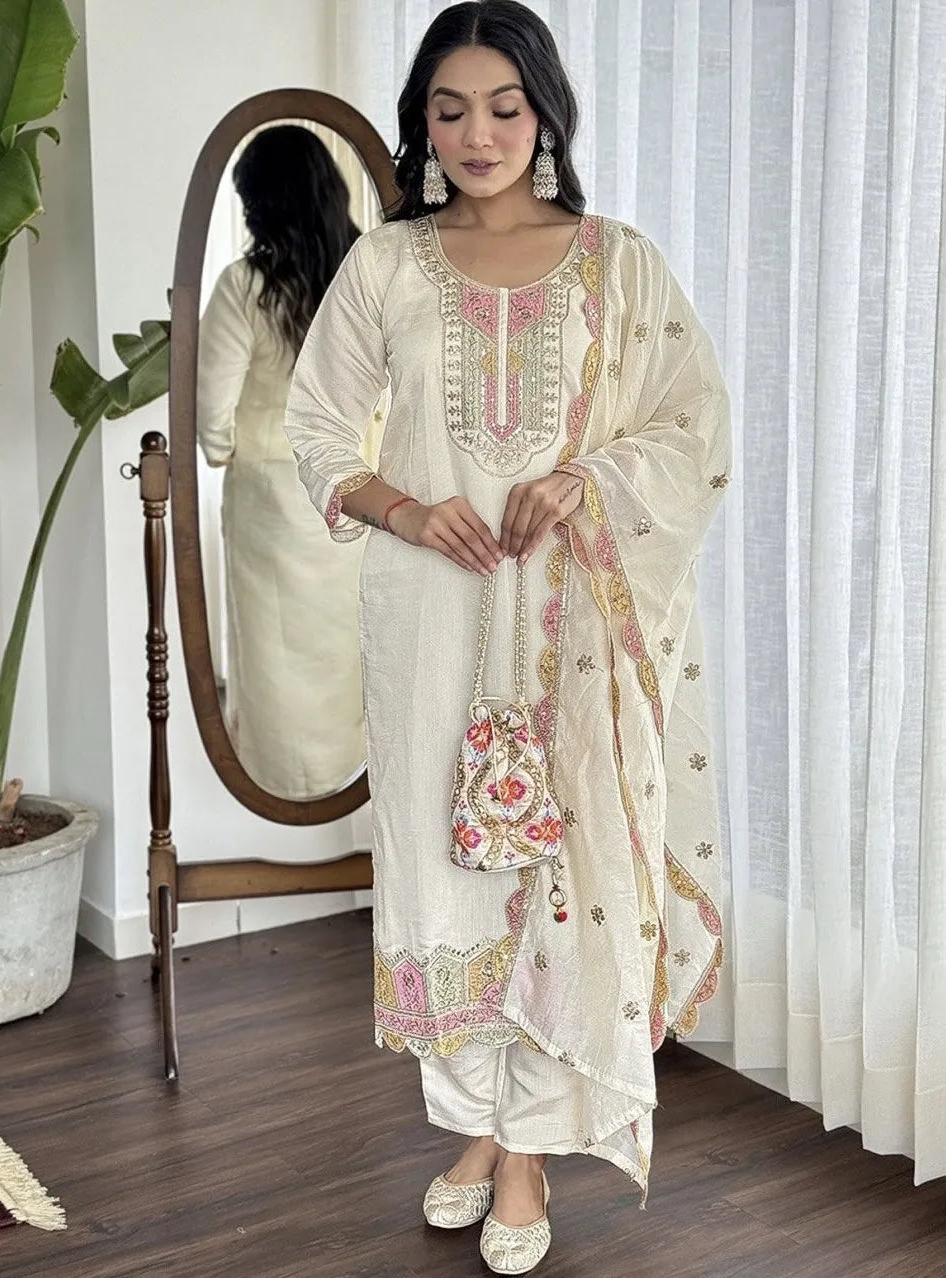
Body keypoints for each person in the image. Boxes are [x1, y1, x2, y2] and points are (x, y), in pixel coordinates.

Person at [285, 2, 731, 1271]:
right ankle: (479, 1124)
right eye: (447, 109)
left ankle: (524, 1150)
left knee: (552, 862)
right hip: (427, 615)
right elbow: (317, 430)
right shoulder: (386, 266)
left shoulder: (616, 262)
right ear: (420, 126)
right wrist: (409, 507)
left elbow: (693, 429)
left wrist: (583, 481)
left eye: (501, 105)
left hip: (569, 617)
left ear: (544, 113)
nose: (475, 133)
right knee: (447, 864)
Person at [198, 125, 381, 798]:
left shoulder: (243, 286)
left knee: (280, 663)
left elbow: (211, 415)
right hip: (360, 495)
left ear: (258, 203)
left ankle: (288, 787)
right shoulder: (370, 273)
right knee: (351, 656)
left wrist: (228, 454)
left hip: (273, 502)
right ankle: (355, 792)